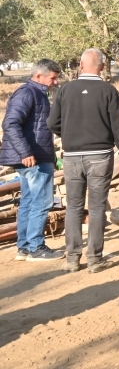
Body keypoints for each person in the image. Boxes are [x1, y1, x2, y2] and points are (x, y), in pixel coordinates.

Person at [47, 49, 119, 273]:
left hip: (72, 157)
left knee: (73, 207)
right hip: (100, 156)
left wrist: (69, 135)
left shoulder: (65, 90)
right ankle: (95, 259)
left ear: (80, 65)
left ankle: (72, 258)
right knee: (96, 208)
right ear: (102, 67)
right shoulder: (108, 91)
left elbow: (52, 122)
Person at [1, 60, 63, 262]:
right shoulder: (28, 93)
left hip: (34, 156)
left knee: (28, 201)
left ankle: (25, 247)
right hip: (32, 157)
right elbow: (10, 123)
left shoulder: (36, 93)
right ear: (39, 76)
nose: (55, 82)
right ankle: (36, 247)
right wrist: (26, 152)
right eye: (52, 78)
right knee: (42, 201)